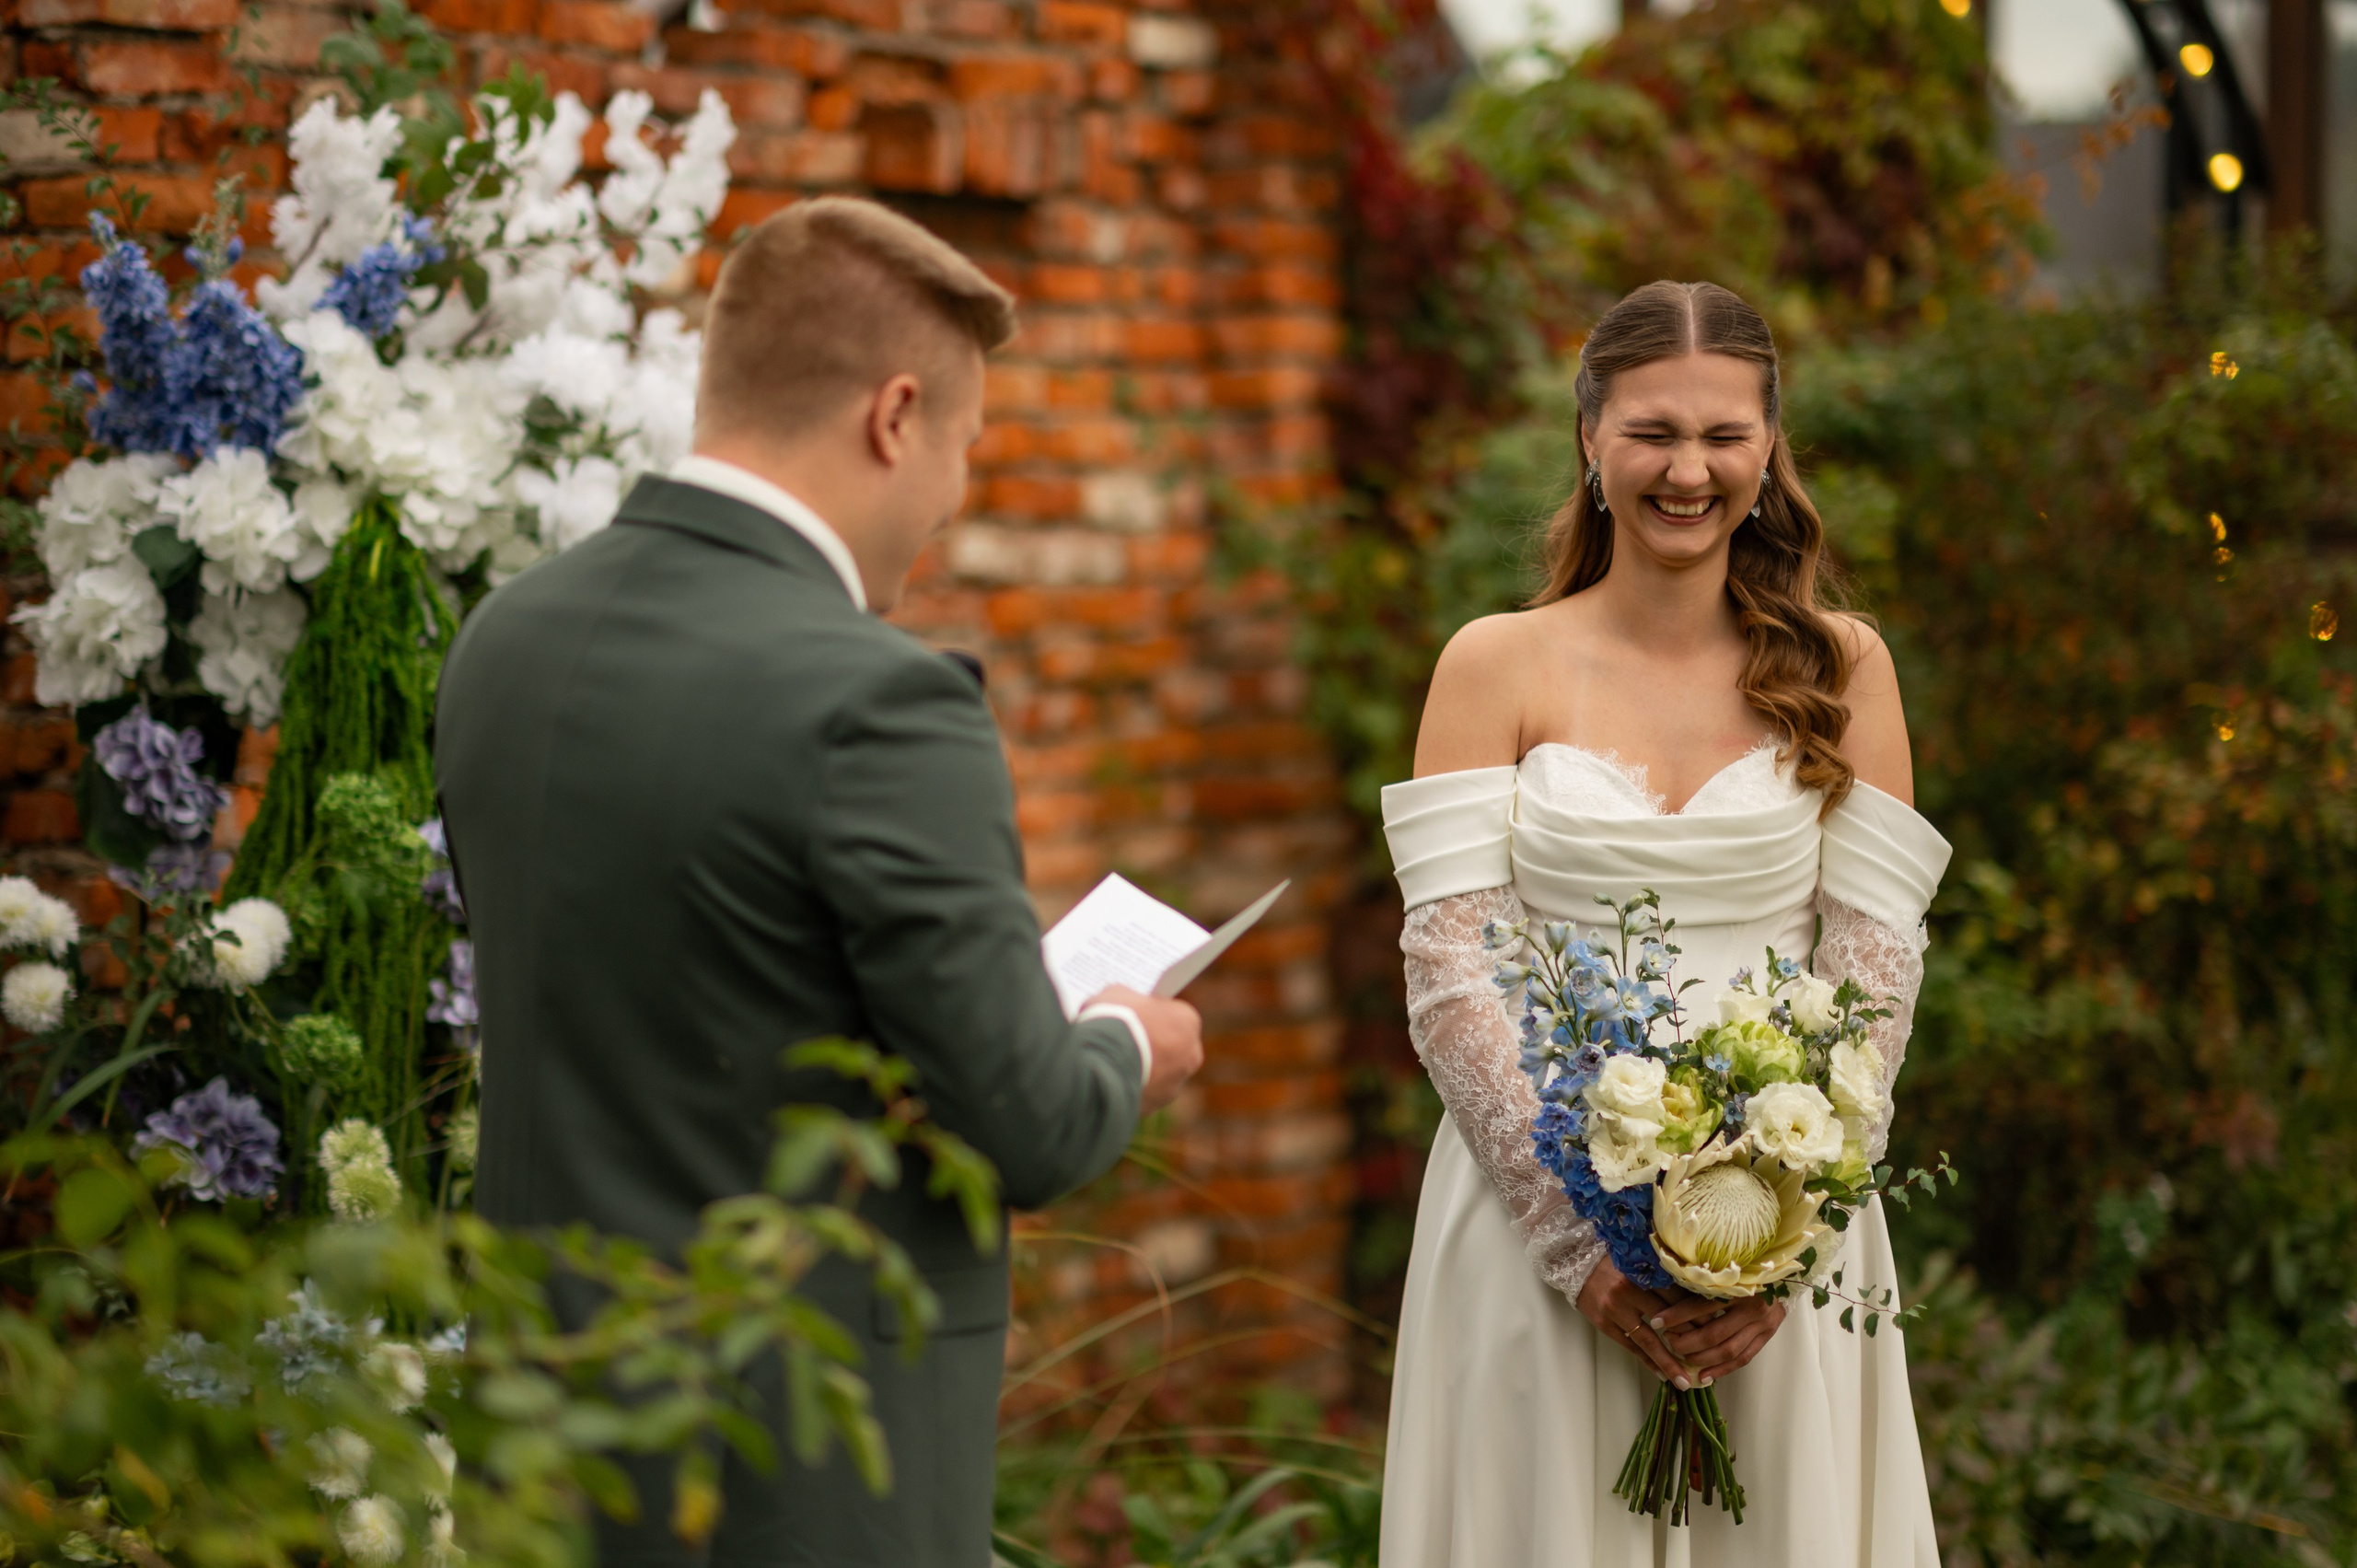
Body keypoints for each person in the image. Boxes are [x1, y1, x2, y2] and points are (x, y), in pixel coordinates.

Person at [434, 197, 1205, 1568]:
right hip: (796, 1464)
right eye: (964, 449)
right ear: (895, 416)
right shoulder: (882, 703)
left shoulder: (507, 639)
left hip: (539, 1433)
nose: (955, 499)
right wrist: (1120, 1041)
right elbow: (1027, 1126)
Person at [1376, 280, 1952, 1566]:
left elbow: (1875, 964)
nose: (1687, 470)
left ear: (1767, 449)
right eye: (1652, 432)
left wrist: (1775, 1239)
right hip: (1535, 1233)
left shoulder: (1843, 666)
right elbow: (1449, 970)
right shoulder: (1493, 665)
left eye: (1721, 435)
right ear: (1591, 438)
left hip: (1788, 1229)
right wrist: (1579, 1244)